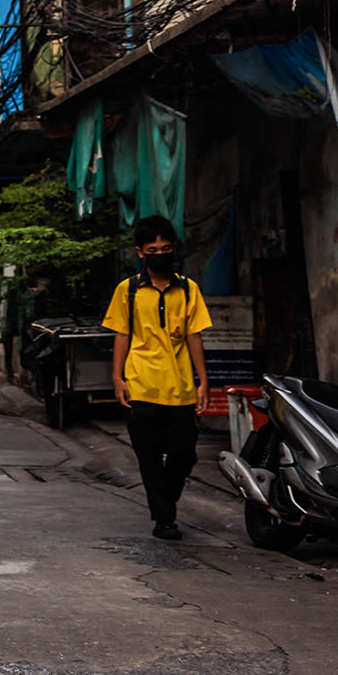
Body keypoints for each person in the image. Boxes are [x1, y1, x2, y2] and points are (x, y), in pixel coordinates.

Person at [102, 216, 210, 541]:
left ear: (174, 248)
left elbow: (194, 337)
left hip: (180, 389)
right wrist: (117, 377)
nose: (160, 253)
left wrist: (204, 381)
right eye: (153, 249)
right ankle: (165, 520)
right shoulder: (129, 290)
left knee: (184, 454)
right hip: (140, 386)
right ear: (140, 252)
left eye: (165, 248)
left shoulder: (189, 289)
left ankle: (164, 503)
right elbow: (122, 334)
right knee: (148, 458)